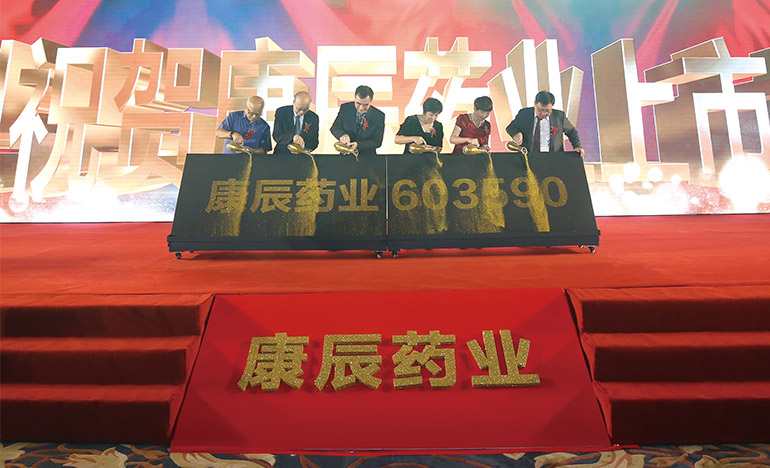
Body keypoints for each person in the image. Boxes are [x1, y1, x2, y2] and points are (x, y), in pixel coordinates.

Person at [506, 90, 585, 157]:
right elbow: (511, 127)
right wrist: (516, 134)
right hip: (528, 157)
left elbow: (571, 131)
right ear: (535, 104)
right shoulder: (524, 114)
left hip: (553, 158)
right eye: (540, 110)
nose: (543, 113)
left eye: (547, 111)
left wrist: (577, 146)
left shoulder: (559, 116)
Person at [330, 85, 385, 154]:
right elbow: (335, 128)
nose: (361, 108)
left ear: (371, 101)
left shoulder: (379, 116)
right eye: (358, 103)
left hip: (368, 156)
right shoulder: (345, 108)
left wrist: (358, 145)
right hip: (346, 154)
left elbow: (377, 142)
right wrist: (343, 135)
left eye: (366, 105)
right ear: (355, 98)